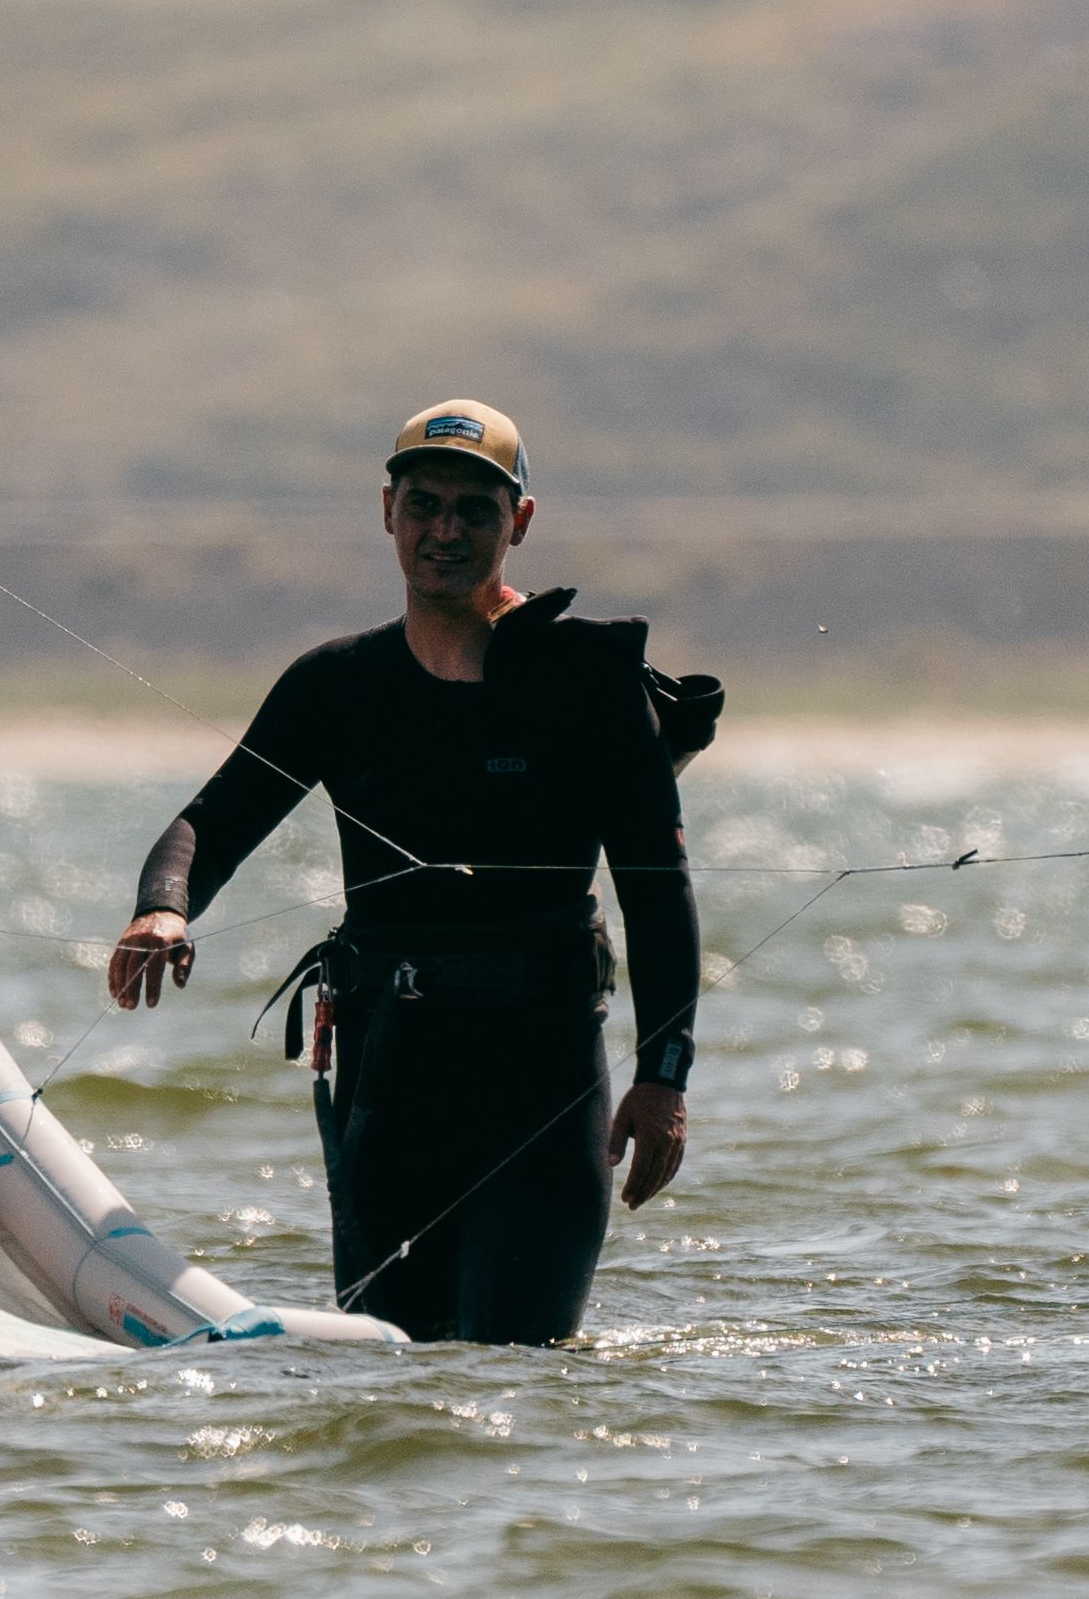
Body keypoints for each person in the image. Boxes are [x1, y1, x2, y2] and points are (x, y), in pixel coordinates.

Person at [103, 398, 712, 1344]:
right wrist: (164, 909)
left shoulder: (587, 686)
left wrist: (663, 1078)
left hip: (543, 1081)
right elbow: (210, 823)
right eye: (425, 504)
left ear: (519, 522)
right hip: (389, 1086)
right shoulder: (336, 685)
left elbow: (658, 891)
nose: (446, 531)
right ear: (388, 510)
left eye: (475, 510)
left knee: (518, 1364)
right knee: (387, 1369)